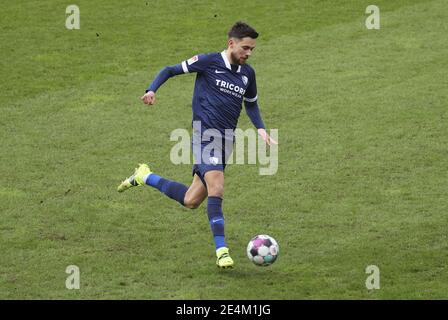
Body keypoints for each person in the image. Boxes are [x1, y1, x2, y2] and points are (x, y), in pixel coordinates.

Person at [117, 21, 277, 269]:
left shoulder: (248, 74)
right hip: (204, 136)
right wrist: (151, 90)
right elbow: (170, 70)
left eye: (252, 49)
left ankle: (144, 176)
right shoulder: (209, 62)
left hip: (226, 142)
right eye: (245, 48)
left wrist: (261, 129)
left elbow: (251, 103)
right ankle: (222, 251)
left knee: (191, 200)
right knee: (217, 187)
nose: (248, 53)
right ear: (231, 43)